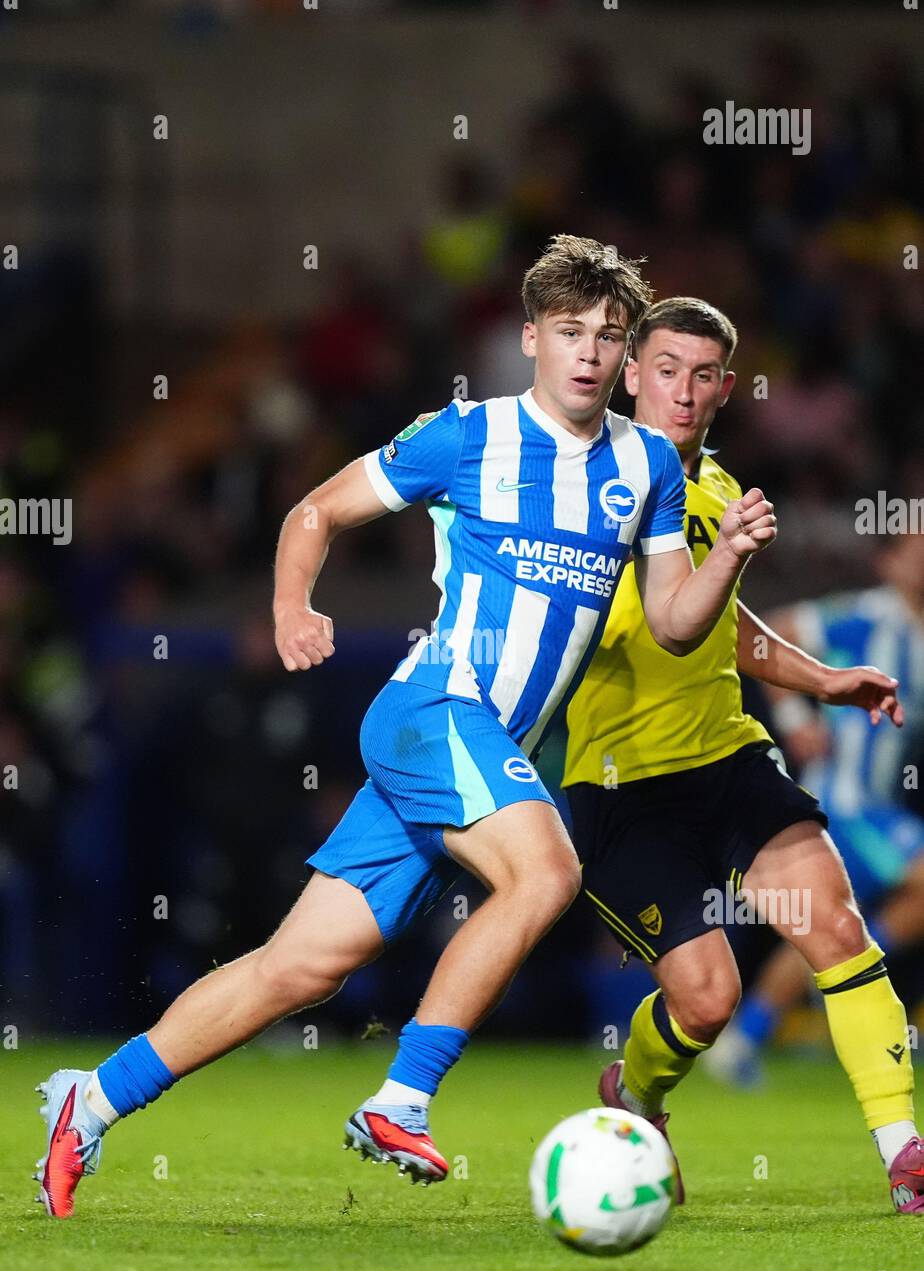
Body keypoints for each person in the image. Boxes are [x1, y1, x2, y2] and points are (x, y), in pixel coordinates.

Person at [35, 237, 776, 1218]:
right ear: (530, 340)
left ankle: (92, 1096)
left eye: (606, 336)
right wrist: (292, 608)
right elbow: (314, 510)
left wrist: (723, 557)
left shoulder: (645, 465)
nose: (590, 354)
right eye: (569, 333)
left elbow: (677, 625)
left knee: (302, 965)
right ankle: (400, 1098)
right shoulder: (467, 436)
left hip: (477, 747)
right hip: (436, 709)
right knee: (547, 871)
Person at [563, 296, 923, 1214]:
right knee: (706, 1001)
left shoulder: (719, 490)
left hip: (728, 758)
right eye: (667, 369)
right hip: (622, 783)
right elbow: (660, 626)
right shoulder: (571, 489)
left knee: (839, 930)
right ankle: (636, 1097)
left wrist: (822, 679)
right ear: (631, 373)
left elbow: (725, 631)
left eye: (703, 374)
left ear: (726, 388)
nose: (683, 392)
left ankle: (904, 1153)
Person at [706, 532, 924, 1089]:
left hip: (881, 805)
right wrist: (796, 717)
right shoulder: (866, 615)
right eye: (916, 551)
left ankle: (745, 1038)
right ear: (890, 561)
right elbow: (767, 632)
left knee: (826, 931)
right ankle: (858, 972)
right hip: (845, 802)